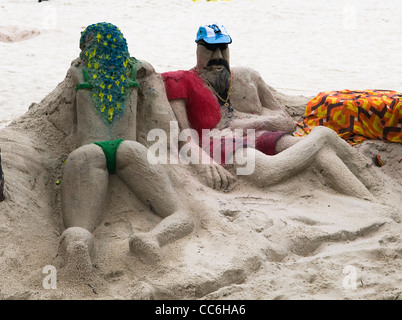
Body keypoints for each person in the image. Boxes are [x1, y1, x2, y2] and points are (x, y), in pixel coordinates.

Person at [162, 23, 376, 198]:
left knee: (320, 152)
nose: (218, 55)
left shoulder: (225, 81)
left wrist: (251, 123)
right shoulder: (180, 79)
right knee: (275, 166)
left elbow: (285, 122)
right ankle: (324, 138)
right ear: (198, 49)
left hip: (252, 135)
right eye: (210, 49)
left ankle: (368, 196)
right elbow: (185, 136)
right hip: (219, 144)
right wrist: (203, 161)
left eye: (223, 49)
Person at [60, 22, 194, 277]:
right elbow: (149, 68)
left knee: (79, 227)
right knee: (181, 215)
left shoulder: (80, 73)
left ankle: (78, 247)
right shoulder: (133, 68)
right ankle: (152, 239)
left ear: (86, 50)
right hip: (129, 148)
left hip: (87, 151)